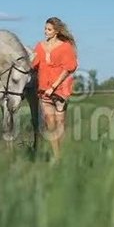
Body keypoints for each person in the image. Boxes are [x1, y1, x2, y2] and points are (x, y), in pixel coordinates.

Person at [31, 17, 78, 163]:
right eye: (45, 29)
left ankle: (63, 154)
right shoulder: (39, 46)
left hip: (61, 89)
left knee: (60, 124)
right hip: (44, 89)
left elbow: (68, 68)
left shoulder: (65, 47)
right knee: (50, 125)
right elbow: (33, 65)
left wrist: (54, 86)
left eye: (49, 29)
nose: (46, 32)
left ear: (56, 31)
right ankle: (57, 157)